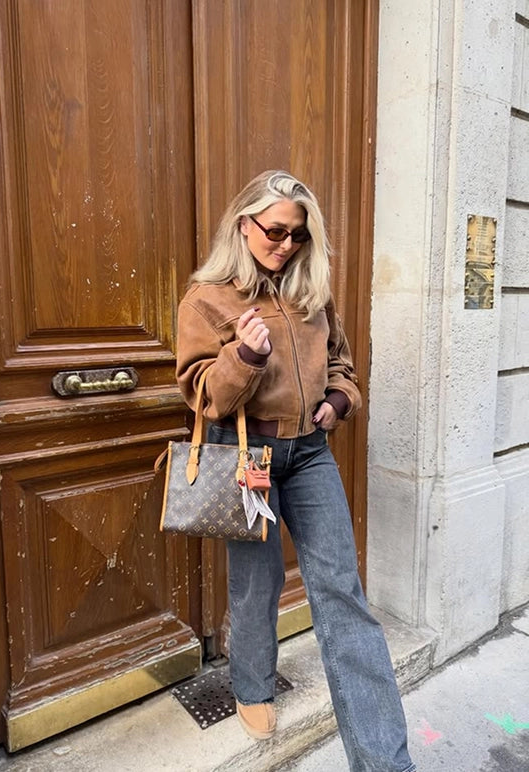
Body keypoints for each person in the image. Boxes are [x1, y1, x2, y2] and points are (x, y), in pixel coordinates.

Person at [175, 170, 415, 772]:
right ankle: (252, 685)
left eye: (299, 235)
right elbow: (203, 397)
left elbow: (341, 364)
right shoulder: (207, 298)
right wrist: (244, 356)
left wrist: (338, 402)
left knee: (341, 592)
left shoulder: (311, 292)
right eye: (275, 232)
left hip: (309, 452)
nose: (286, 245)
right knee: (256, 584)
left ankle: (384, 763)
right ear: (244, 225)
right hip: (247, 455)